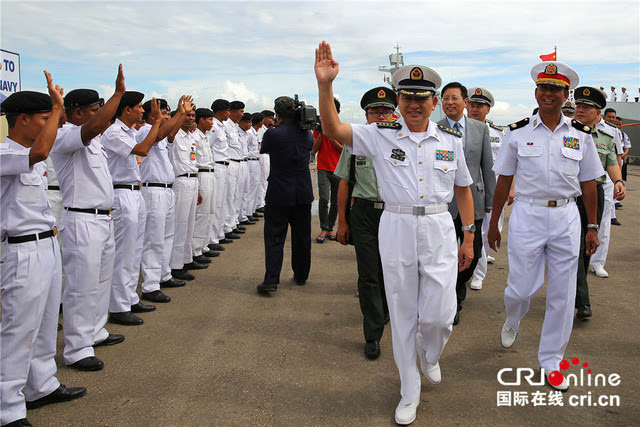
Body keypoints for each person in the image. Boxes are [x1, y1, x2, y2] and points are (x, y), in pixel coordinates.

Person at [315, 42, 476, 425]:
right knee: (403, 311)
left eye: (422, 98)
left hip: (438, 225)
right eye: (407, 97)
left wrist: (468, 234)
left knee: (440, 314)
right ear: (399, 100)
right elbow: (332, 128)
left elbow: (464, 188)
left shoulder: (450, 142)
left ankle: (429, 351)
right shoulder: (379, 134)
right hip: (397, 224)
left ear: (434, 102)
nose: (413, 104)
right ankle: (409, 390)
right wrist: (325, 86)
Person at [488, 61, 604, 392]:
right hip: (528, 213)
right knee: (521, 288)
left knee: (562, 294)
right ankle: (514, 316)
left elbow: (589, 183)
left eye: (555, 89)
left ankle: (551, 359)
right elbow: (504, 180)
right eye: (544, 88)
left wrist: (592, 225)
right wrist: (494, 222)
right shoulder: (517, 131)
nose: (548, 93)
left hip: (567, 216)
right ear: (536, 93)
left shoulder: (580, 135)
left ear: (566, 95)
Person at [1, 73, 87, 427]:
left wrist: (53, 110)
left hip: (46, 244)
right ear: (23, 119)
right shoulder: (6, 153)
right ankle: (7, 407)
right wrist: (58, 107)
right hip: (21, 253)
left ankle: (41, 386)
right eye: (43, 117)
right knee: (18, 329)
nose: (48, 123)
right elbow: (40, 151)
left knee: (47, 322)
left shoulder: (30, 155)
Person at [50, 66, 127, 372]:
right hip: (81, 221)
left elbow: (96, 129)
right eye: (96, 110)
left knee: (100, 281)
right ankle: (77, 348)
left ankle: (95, 331)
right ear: (78, 113)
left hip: (102, 219)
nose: (102, 116)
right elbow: (95, 127)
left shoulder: (93, 141)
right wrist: (118, 94)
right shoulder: (66, 135)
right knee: (81, 286)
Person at [334, 86, 395, 360]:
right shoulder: (355, 142)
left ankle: (384, 311)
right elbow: (344, 183)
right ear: (366, 115)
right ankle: (372, 334)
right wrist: (342, 222)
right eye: (374, 111)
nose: (380, 115)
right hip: (365, 215)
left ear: (394, 115)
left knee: (391, 270)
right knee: (368, 273)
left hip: (396, 215)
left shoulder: (404, 141)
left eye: (385, 110)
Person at [438, 83, 496, 325]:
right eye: (445, 98)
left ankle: (459, 287)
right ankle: (450, 299)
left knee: (474, 249)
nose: (450, 102)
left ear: (464, 102)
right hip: (443, 200)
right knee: (446, 251)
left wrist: (491, 200)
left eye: (455, 98)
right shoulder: (434, 128)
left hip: (474, 198)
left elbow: (487, 166)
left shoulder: (479, 129)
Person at [103, 92, 161, 326]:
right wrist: (156, 123)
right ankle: (117, 306)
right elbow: (143, 150)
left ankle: (129, 297)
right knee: (124, 253)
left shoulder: (129, 132)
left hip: (134, 192)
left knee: (135, 250)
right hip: (121, 193)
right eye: (138, 107)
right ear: (126, 110)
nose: (141, 110)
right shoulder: (114, 132)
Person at [572, 86, 625, 320]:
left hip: (595, 194)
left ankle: (573, 290)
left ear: (598, 113)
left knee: (586, 245)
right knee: (572, 247)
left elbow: (612, 160)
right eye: (578, 105)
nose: (580, 109)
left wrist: (619, 181)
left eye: (586, 107)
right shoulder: (568, 131)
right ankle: (582, 300)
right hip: (570, 195)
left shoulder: (607, 136)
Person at [256, 96, 313, 293]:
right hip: (303, 192)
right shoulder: (307, 134)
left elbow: (265, 150)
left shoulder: (273, 134)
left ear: (277, 114)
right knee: (302, 237)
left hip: (279, 192)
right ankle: (301, 275)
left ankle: (271, 280)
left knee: (274, 238)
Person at [139, 97, 191, 297]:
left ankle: (164, 275)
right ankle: (150, 285)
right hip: (153, 190)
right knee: (154, 239)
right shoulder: (146, 131)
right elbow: (161, 134)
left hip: (167, 190)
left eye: (170, 114)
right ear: (153, 114)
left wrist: (182, 114)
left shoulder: (161, 132)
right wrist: (180, 114)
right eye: (164, 113)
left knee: (167, 236)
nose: (168, 117)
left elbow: (169, 132)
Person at [466, 87, 506, 291]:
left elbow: (510, 163)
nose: (474, 109)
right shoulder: (458, 131)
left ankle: (478, 269)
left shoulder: (499, 133)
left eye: (479, 106)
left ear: (488, 109)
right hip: (468, 188)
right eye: (471, 105)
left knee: (490, 229)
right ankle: (475, 270)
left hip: (493, 188)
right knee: (469, 231)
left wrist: (512, 188)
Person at [168, 101, 207, 277]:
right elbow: (169, 134)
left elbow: (192, 163)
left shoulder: (191, 137)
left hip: (192, 181)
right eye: (187, 115)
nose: (191, 118)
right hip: (180, 182)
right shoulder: (174, 135)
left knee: (189, 224)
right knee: (180, 224)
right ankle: (175, 266)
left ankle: (186, 259)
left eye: (192, 115)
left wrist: (197, 188)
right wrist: (180, 113)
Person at [312, 97, 343, 243]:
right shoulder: (318, 128)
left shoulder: (342, 128)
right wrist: (321, 134)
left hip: (339, 169)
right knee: (323, 199)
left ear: (338, 112)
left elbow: (343, 150)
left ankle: (330, 228)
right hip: (323, 168)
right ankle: (324, 227)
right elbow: (314, 149)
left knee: (336, 202)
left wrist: (330, 137)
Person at [191, 107, 219, 264]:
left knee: (210, 212)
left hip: (210, 173)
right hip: (201, 174)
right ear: (201, 120)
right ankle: (195, 250)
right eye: (209, 119)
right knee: (201, 213)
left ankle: (203, 245)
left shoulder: (205, 136)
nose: (211, 123)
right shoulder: (195, 136)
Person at [209, 99, 232, 249]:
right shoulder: (213, 127)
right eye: (227, 110)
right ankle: (212, 239)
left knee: (222, 202)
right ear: (220, 111)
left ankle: (218, 234)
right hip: (216, 167)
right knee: (215, 204)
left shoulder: (221, 127)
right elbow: (208, 147)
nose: (229, 114)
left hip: (223, 167)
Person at [223, 101, 246, 239]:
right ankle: (226, 227)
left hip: (238, 163)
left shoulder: (235, 127)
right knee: (229, 196)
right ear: (233, 111)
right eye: (241, 111)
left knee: (236, 194)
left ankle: (232, 223)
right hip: (229, 163)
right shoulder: (225, 126)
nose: (242, 114)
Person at [256, 110, 275, 213]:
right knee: (262, 180)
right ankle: (260, 203)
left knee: (266, 180)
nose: (272, 120)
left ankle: (262, 200)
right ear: (264, 119)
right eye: (270, 118)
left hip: (267, 155)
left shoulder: (267, 129)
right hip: (262, 155)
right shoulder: (260, 130)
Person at [247, 112, 265, 218]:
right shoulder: (249, 133)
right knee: (250, 189)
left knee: (255, 187)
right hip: (250, 161)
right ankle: (247, 213)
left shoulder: (255, 133)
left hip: (256, 161)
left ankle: (251, 210)